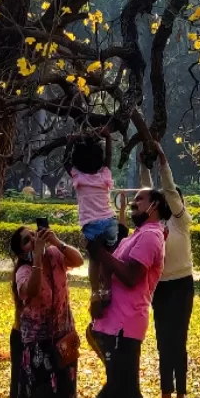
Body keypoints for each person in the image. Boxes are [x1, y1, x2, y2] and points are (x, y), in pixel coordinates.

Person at [85, 186, 170, 398]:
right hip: (113, 324)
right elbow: (112, 270)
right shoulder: (138, 235)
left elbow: (133, 277)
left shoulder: (151, 236)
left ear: (156, 205)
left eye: (140, 201)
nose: (134, 205)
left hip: (126, 327)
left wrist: (100, 253)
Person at [7, 225, 84, 398]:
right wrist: (37, 255)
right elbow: (29, 291)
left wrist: (56, 241)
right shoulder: (23, 270)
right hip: (38, 341)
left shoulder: (54, 254)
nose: (33, 240)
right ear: (20, 253)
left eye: (34, 235)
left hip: (63, 336)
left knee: (65, 390)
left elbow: (79, 260)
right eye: (27, 241)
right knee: (40, 392)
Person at [139, 142, 194, 398]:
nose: (172, 202)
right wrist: (144, 166)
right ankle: (165, 397)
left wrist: (163, 163)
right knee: (163, 344)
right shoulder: (155, 225)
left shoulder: (182, 222)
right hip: (161, 288)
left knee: (178, 344)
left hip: (182, 285)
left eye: (174, 201)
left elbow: (168, 191)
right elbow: (151, 195)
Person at [67, 125, 122, 320]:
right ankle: (107, 288)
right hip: (109, 222)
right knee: (107, 259)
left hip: (91, 225)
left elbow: (66, 162)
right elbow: (108, 159)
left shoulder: (78, 177)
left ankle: (94, 291)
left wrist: (70, 142)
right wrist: (107, 138)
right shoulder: (104, 175)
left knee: (95, 261)